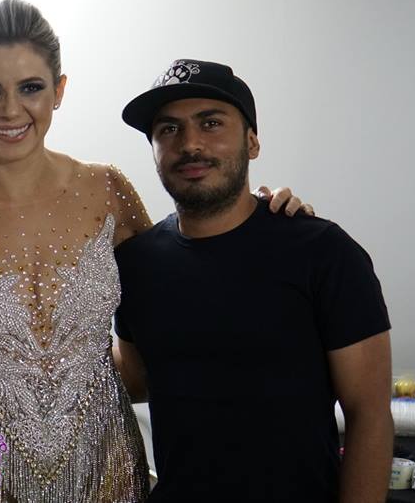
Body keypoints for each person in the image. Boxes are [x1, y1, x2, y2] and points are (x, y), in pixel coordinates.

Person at [0, 0, 307, 502]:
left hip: (102, 461)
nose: (10, 110)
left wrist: (259, 216)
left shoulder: (106, 190)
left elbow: (186, 277)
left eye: (31, 87)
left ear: (59, 90)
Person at [114, 59, 393, 502]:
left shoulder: (324, 252)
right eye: (169, 129)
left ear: (252, 141)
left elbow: (369, 414)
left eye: (211, 123)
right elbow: (135, 377)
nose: (190, 144)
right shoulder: (134, 263)